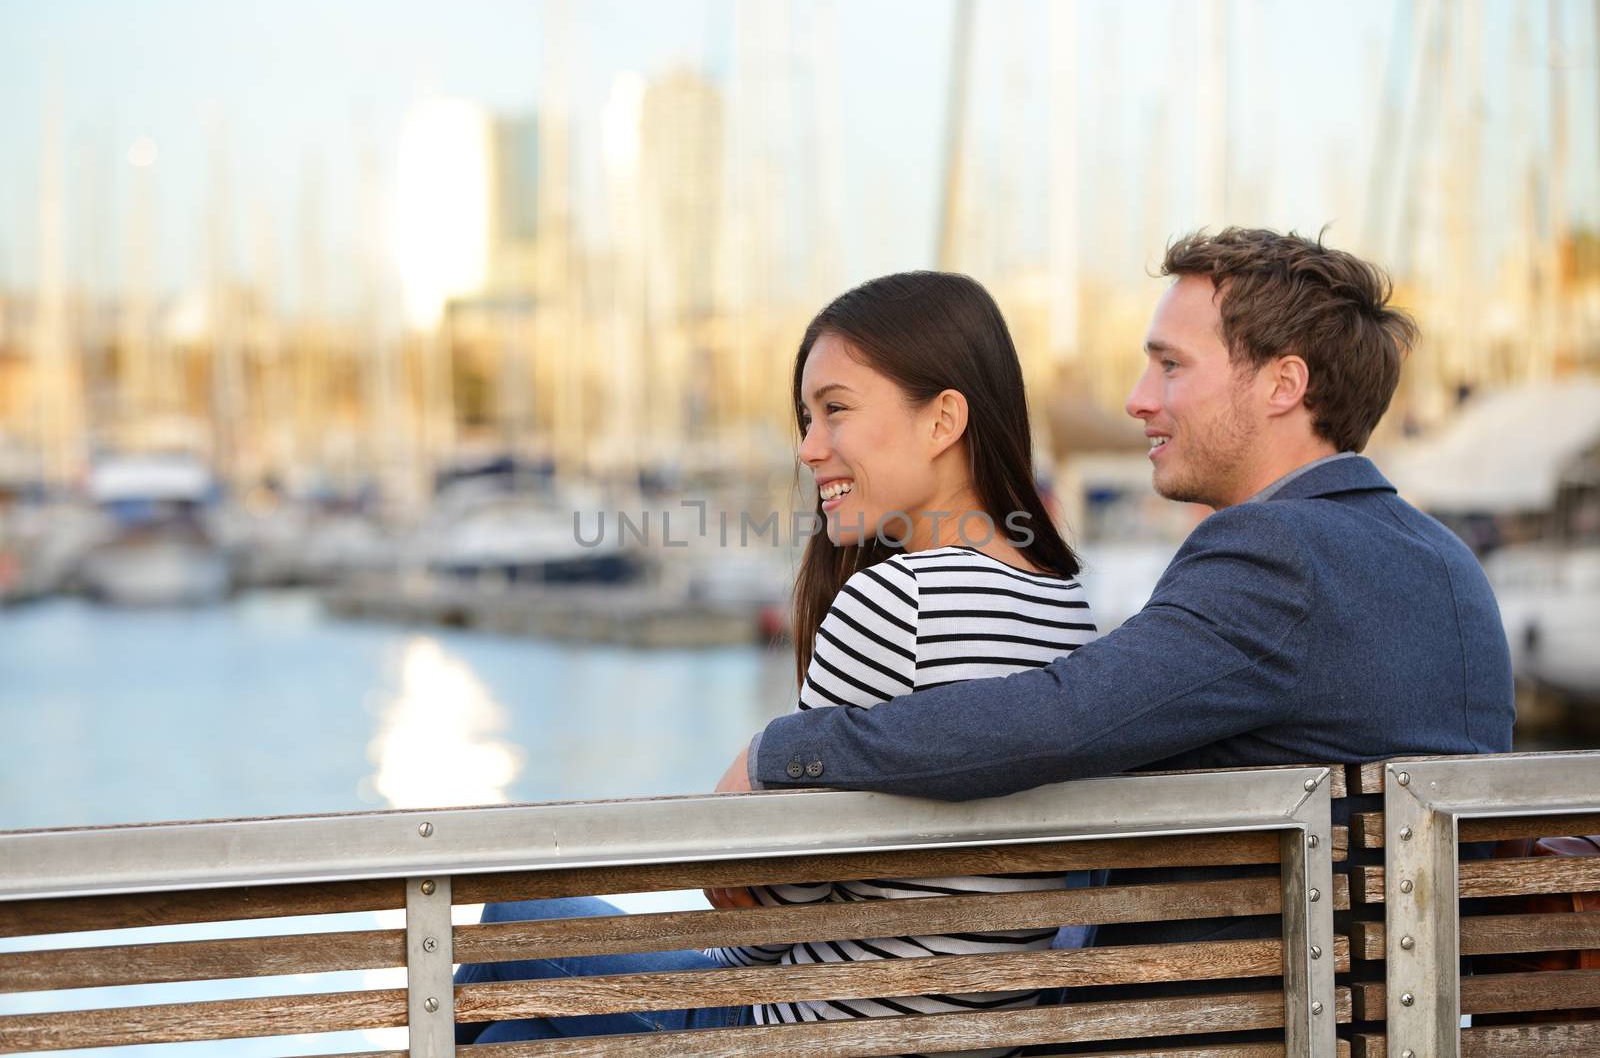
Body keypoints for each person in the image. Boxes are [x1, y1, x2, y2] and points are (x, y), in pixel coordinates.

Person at [722, 227, 1516, 876]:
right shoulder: (1446, 561)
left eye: (1170, 365)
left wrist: (784, 751)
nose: (1138, 398)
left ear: (1283, 384)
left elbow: (1058, 717)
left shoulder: (1275, 555)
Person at [455, 271, 1098, 1049]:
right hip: (966, 1030)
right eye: (806, 416)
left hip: (808, 1031)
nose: (807, 447)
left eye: (836, 410)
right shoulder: (1062, 601)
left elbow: (771, 909)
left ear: (943, 420)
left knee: (516, 919)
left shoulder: (898, 601)